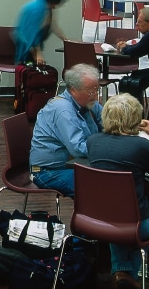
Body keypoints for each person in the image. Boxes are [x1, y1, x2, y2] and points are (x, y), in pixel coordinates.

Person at [86, 95, 149, 289]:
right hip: (136, 223)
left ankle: (121, 272)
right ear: (135, 118)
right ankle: (133, 275)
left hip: (101, 219)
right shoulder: (143, 146)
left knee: (118, 215)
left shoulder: (92, 141)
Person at [29, 65, 103, 196]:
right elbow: (78, 148)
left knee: (113, 175)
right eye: (91, 91)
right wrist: (108, 148)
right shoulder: (63, 110)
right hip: (47, 171)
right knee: (98, 186)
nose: (95, 96)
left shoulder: (88, 102)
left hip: (74, 164)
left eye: (97, 90)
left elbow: (110, 122)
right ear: (73, 90)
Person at [13, 0, 68, 65]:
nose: (55, 7)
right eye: (55, 4)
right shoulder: (38, 10)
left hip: (28, 41)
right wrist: (38, 54)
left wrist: (66, 40)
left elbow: (53, 25)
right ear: (52, 2)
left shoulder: (42, 5)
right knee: (30, 70)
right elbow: (32, 35)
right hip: (26, 44)